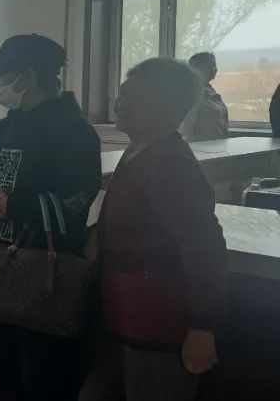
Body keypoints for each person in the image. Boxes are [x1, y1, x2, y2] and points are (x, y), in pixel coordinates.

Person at [79, 58, 227, 401]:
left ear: (164, 108)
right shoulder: (137, 152)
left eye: (133, 97)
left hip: (159, 330)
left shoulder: (172, 164)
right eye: (122, 94)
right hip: (120, 323)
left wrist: (203, 327)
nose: (120, 104)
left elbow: (205, 250)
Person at [0, 34, 102, 401]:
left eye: (2, 78)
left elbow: (75, 203)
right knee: (2, 377)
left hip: (44, 280)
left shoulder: (75, 133)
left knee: (44, 381)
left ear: (26, 77)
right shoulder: (2, 129)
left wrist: (13, 206)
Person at [180, 52, 229, 142]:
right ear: (197, 68)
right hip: (199, 147)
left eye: (215, 65)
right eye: (210, 65)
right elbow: (186, 128)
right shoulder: (190, 92)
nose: (214, 69)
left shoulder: (210, 90)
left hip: (216, 146)